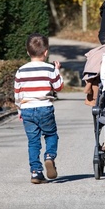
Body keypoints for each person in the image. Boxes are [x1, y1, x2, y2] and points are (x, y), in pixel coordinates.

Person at [14, 33, 64, 184]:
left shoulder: (21, 71)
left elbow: (17, 92)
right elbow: (59, 87)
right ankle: (49, 156)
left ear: (28, 51)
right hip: (45, 108)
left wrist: (19, 109)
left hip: (27, 109)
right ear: (46, 52)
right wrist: (57, 71)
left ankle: (36, 172)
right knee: (51, 135)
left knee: (33, 142)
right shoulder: (49, 69)